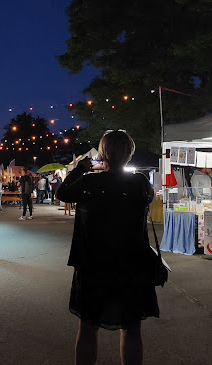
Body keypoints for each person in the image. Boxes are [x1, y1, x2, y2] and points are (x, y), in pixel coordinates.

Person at [56, 130, 158, 365]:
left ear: (102, 154)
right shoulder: (140, 183)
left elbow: (62, 193)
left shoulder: (90, 182)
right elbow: (147, 200)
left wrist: (81, 168)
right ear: (130, 154)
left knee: (88, 326)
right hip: (132, 264)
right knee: (131, 328)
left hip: (93, 263)